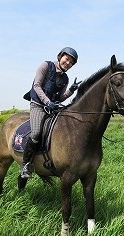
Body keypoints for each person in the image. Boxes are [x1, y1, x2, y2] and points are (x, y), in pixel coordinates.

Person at [20, 47, 82, 178]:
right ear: (60, 56)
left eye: (71, 62)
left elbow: (59, 98)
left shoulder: (65, 78)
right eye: (67, 59)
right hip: (38, 105)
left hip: (52, 108)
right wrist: (47, 102)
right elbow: (37, 86)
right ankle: (25, 164)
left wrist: (71, 90)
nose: (68, 63)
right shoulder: (45, 66)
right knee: (36, 132)